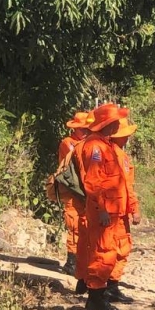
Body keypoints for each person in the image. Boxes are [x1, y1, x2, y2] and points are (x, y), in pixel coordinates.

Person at [74, 103, 132, 310]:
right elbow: (94, 182)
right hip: (104, 210)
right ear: (108, 124)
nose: (119, 124)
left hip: (113, 210)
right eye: (116, 121)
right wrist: (102, 210)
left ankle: (101, 294)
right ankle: (95, 299)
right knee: (102, 252)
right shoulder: (95, 147)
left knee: (112, 250)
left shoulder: (105, 145)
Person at [107, 117, 141, 304]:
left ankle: (103, 287)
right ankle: (111, 286)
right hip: (117, 210)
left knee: (106, 248)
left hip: (108, 208)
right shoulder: (120, 156)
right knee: (121, 249)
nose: (128, 138)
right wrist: (134, 209)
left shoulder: (106, 151)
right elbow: (127, 186)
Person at [58, 111, 91, 277]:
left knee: (83, 225)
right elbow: (77, 161)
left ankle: (81, 261)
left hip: (83, 190)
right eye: (82, 128)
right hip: (72, 190)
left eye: (87, 128)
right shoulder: (68, 143)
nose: (85, 131)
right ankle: (71, 261)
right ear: (75, 128)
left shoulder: (87, 143)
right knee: (74, 224)